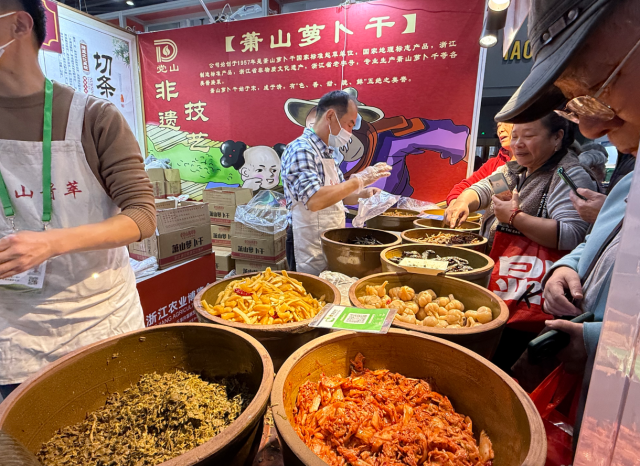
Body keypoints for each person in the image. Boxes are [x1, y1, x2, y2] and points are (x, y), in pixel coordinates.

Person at [494, 0, 640, 445]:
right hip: (591, 396)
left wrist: (598, 340)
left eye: (596, 88)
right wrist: (567, 268)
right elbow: (593, 244)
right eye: (577, 105)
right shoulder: (629, 178)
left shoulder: (567, 172)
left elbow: (570, 231)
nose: (592, 127)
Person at [0, 1, 155, 398]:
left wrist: (51, 242)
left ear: (19, 25)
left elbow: (141, 215)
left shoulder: (93, 117)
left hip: (100, 322)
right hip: (15, 340)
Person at [281, 90, 391, 275]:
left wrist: (364, 193)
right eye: (349, 124)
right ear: (331, 116)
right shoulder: (302, 150)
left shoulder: (327, 153)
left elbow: (340, 196)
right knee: (311, 289)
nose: (350, 132)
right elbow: (315, 201)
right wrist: (360, 180)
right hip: (306, 241)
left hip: (329, 238)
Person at [446, 122, 514, 207]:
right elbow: (473, 187)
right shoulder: (495, 165)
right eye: (498, 126)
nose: (500, 130)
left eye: (507, 123)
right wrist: (458, 203)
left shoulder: (528, 166)